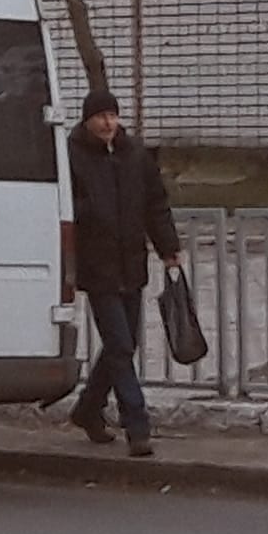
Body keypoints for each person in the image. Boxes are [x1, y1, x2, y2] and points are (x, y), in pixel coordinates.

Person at [66, 89, 181, 458]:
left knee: (123, 342)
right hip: (97, 265)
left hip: (131, 262)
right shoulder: (73, 156)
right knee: (119, 343)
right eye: (100, 116)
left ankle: (87, 409)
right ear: (87, 120)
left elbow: (155, 205)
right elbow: (65, 205)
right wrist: (89, 211)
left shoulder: (135, 155)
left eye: (112, 116)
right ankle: (137, 423)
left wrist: (168, 249)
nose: (107, 123)